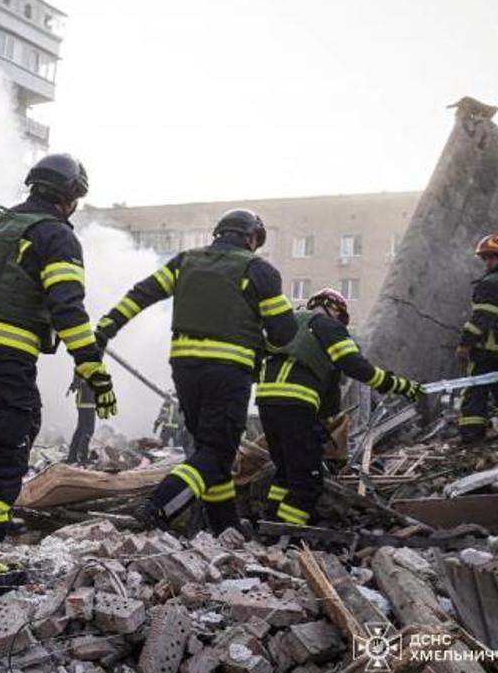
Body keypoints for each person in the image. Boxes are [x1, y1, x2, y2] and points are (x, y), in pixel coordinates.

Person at [0, 153, 115, 593]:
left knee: (11, 436)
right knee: (6, 456)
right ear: (72, 196)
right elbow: (67, 307)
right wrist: (92, 366)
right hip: (4, 352)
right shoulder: (56, 236)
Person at [96, 209, 298, 534]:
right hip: (229, 371)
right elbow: (285, 333)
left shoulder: (185, 261)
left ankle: (225, 528)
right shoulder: (259, 270)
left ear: (219, 233)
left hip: (185, 368)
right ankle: (157, 508)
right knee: (217, 454)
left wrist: (106, 329)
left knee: (207, 451)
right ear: (251, 238)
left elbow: (141, 294)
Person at [257, 288, 420, 527]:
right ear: (333, 309)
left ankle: (270, 525)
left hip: (267, 402)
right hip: (297, 403)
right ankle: (288, 537)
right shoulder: (327, 327)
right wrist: (398, 385)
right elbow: (356, 366)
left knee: (285, 473)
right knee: (307, 481)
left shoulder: (287, 323)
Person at [457, 234, 498, 442]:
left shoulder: (490, 284)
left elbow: (480, 319)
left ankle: (471, 437)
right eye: (486, 258)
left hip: (486, 351)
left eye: (493, 257)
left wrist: (465, 345)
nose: (488, 262)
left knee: (474, 391)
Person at [65, 376, 98, 464]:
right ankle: (82, 456)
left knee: (80, 429)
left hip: (84, 401)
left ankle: (72, 456)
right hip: (88, 401)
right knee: (88, 430)